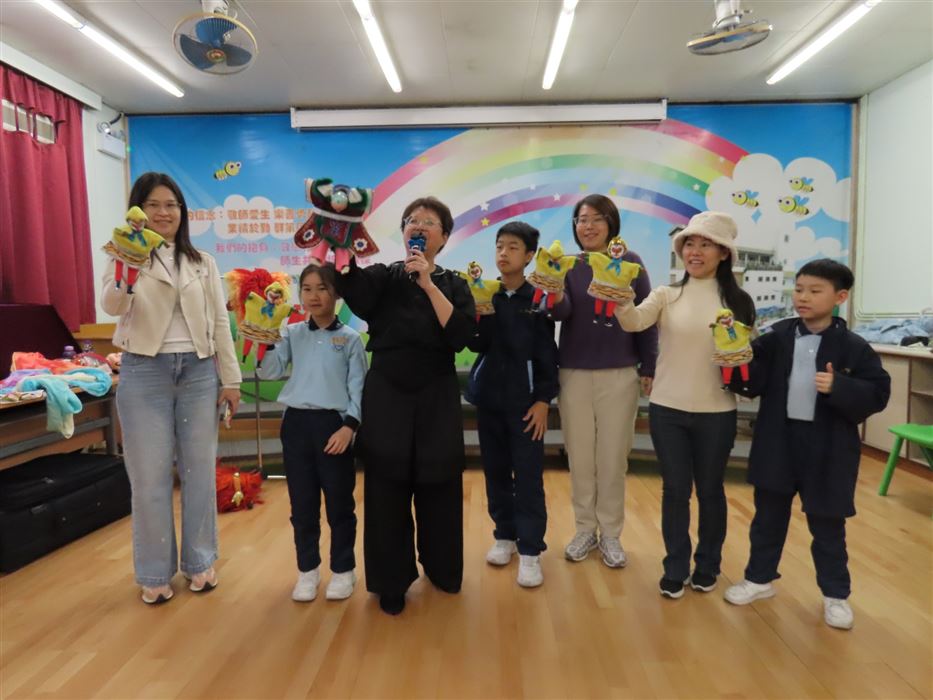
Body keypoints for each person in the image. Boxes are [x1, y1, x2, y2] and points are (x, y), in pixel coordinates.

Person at [723, 259, 890, 629]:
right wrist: (732, 357)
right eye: (799, 289)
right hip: (778, 442)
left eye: (815, 291)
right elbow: (751, 379)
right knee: (767, 518)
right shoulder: (776, 337)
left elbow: (878, 393)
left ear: (840, 297)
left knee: (828, 525)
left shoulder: (854, 347)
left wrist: (840, 386)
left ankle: (836, 595)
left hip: (828, 449)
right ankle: (759, 579)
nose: (803, 297)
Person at [101, 172, 241, 604]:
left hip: (198, 372)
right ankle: (154, 572)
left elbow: (220, 323)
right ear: (138, 210)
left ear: (182, 211)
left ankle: (200, 562)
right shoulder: (123, 252)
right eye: (154, 205)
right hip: (145, 372)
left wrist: (231, 379)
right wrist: (128, 268)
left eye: (172, 205)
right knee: (149, 478)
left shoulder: (202, 262)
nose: (164, 213)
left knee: (199, 473)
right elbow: (111, 305)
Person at [334, 196, 476, 615]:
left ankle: (442, 567)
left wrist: (428, 283)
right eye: (412, 220)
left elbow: (461, 335)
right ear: (403, 233)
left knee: (440, 480)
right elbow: (355, 292)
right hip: (388, 391)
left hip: (436, 390)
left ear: (444, 237)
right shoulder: (384, 275)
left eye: (429, 222)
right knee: (386, 485)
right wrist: (343, 250)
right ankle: (391, 580)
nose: (419, 225)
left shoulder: (453, 283)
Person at [614, 211, 754, 599]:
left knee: (710, 490)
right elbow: (633, 322)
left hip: (718, 412)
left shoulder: (739, 301)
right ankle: (675, 566)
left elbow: (744, 354)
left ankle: (708, 565)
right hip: (667, 408)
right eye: (689, 244)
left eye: (706, 244)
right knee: (675, 490)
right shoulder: (666, 294)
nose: (695, 251)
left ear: (723, 253)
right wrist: (621, 298)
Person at [550, 194, 657, 568]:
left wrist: (649, 366)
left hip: (620, 374)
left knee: (612, 458)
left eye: (597, 218)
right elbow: (562, 312)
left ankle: (610, 534)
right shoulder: (569, 265)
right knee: (580, 457)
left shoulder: (630, 262)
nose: (588, 226)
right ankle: (584, 529)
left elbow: (645, 318)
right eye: (582, 219)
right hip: (574, 372)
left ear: (611, 223)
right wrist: (553, 290)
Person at [257, 263, 367, 602]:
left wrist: (349, 427)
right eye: (307, 289)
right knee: (302, 505)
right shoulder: (291, 333)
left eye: (322, 288)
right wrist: (266, 340)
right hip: (296, 426)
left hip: (334, 428)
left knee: (339, 504)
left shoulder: (350, 339)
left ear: (336, 294)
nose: (314, 296)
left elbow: (359, 388)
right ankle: (307, 570)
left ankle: (343, 570)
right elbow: (269, 372)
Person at [465, 221, 559, 588]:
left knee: (529, 476)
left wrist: (543, 400)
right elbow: (476, 345)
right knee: (496, 472)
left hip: (526, 405)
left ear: (530, 255)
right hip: (489, 401)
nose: (503, 253)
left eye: (513, 247)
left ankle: (531, 550)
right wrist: (480, 313)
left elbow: (547, 354)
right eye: (499, 246)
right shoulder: (486, 295)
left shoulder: (538, 301)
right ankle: (504, 535)